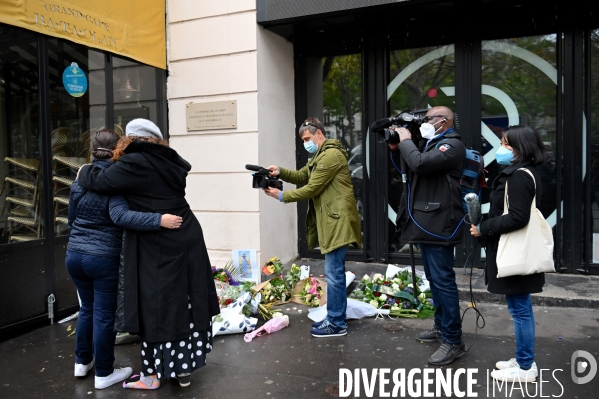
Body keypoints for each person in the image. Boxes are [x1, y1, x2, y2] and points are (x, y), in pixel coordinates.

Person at [76, 119, 220, 389]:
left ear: (131, 138)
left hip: (158, 241)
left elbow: (102, 181)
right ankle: (182, 372)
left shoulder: (136, 161)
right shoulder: (170, 161)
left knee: (156, 304)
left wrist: (82, 172)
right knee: (182, 300)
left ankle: (151, 376)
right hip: (186, 232)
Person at [67, 129, 182, 390]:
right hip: (102, 257)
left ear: (92, 148)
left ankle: (82, 362)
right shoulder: (115, 181)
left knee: (87, 309)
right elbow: (120, 216)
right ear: (118, 148)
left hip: (74, 255)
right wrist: (158, 220)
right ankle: (104, 373)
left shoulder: (80, 179)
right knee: (104, 315)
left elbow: (71, 219)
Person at [262, 117, 362, 338]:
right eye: (303, 140)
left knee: (334, 274)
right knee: (334, 272)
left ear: (319, 133)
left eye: (307, 138)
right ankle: (335, 318)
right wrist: (279, 171)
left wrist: (281, 196)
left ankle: (336, 323)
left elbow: (311, 188)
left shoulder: (331, 155)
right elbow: (301, 176)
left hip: (337, 221)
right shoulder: (320, 155)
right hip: (331, 220)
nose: (306, 142)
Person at [389, 106, 466, 365]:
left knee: (443, 281)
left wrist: (407, 141)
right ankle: (441, 327)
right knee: (434, 278)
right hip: (425, 221)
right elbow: (408, 170)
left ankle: (453, 340)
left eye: (428, 118)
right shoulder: (429, 143)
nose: (424, 122)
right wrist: (396, 147)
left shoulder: (452, 145)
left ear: (444, 121)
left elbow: (420, 164)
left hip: (440, 223)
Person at [470, 124, 546, 382]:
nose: (500, 149)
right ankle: (523, 358)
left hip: (515, 251)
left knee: (520, 309)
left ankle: (525, 367)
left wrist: (483, 228)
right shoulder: (520, 172)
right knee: (520, 307)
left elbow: (517, 217)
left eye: (505, 144)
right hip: (511, 249)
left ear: (520, 148)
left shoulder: (519, 176)